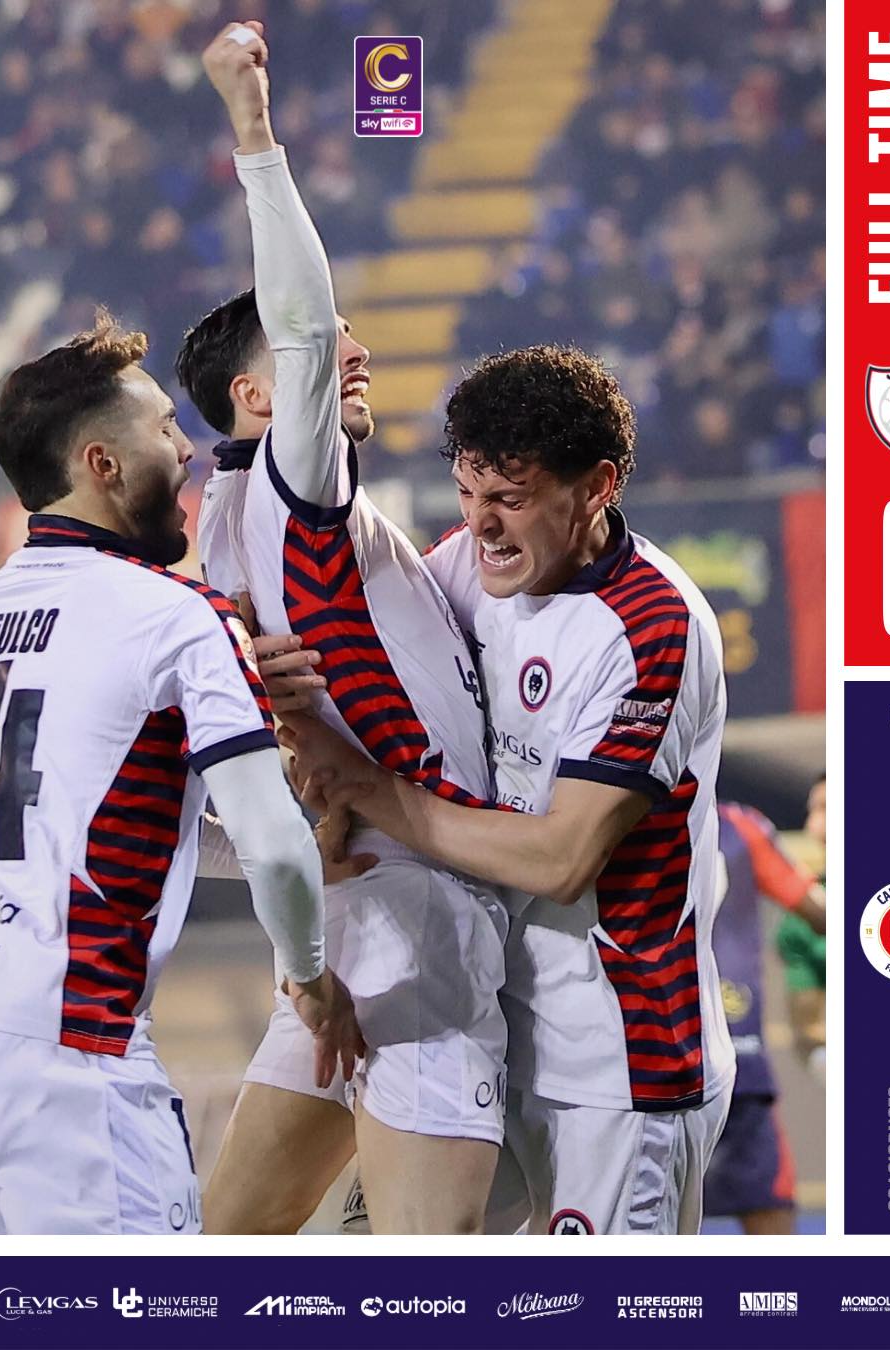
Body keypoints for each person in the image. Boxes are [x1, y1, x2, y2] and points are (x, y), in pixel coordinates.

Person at [282, 342, 736, 1235]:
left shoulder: (653, 627)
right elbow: (365, 689)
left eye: (511, 499)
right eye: (468, 492)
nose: (481, 524)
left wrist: (367, 789)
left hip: (615, 1070)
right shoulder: (460, 568)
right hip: (484, 1028)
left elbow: (562, 859)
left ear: (596, 487)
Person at [176, 21, 507, 1237]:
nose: (353, 350)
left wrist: (298, 858)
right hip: (422, 920)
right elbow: (311, 331)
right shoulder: (288, 487)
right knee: (429, 1280)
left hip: (350, 913)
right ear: (257, 397)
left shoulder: (225, 538)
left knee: (221, 1254)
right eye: (319, 349)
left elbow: (200, 813)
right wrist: (254, 129)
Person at [0, 312, 361, 1235]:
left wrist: (283, 851)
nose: (188, 450)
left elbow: (82, 820)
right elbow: (275, 843)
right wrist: (313, 979)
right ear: (103, 464)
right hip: (69, 1035)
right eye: (165, 428)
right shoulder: (177, 614)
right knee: (144, 1305)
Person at [704, 800, 825, 1234]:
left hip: (652, 1050)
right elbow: (821, 912)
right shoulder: (740, 825)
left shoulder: (601, 799)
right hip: (727, 1051)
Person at [776, 774, 827, 1084]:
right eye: (814, 811)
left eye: (826, 808)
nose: (814, 825)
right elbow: (808, 1031)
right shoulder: (803, 919)